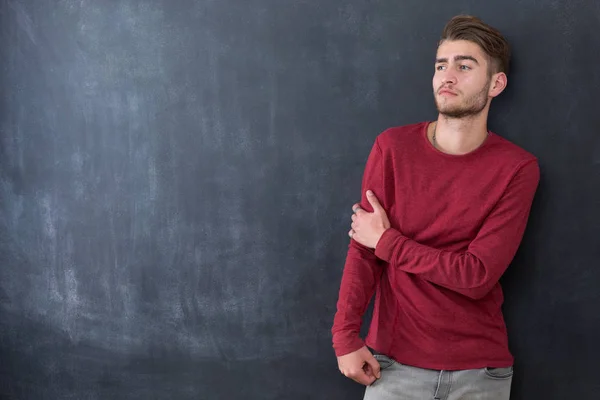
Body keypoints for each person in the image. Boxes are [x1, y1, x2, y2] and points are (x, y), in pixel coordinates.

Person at [331, 15, 540, 400]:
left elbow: (476, 276)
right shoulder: (392, 148)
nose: (448, 76)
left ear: (496, 83)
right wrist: (345, 337)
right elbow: (363, 249)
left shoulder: (517, 168)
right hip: (392, 368)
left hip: (480, 374)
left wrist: (388, 242)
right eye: (441, 65)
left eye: (464, 66)